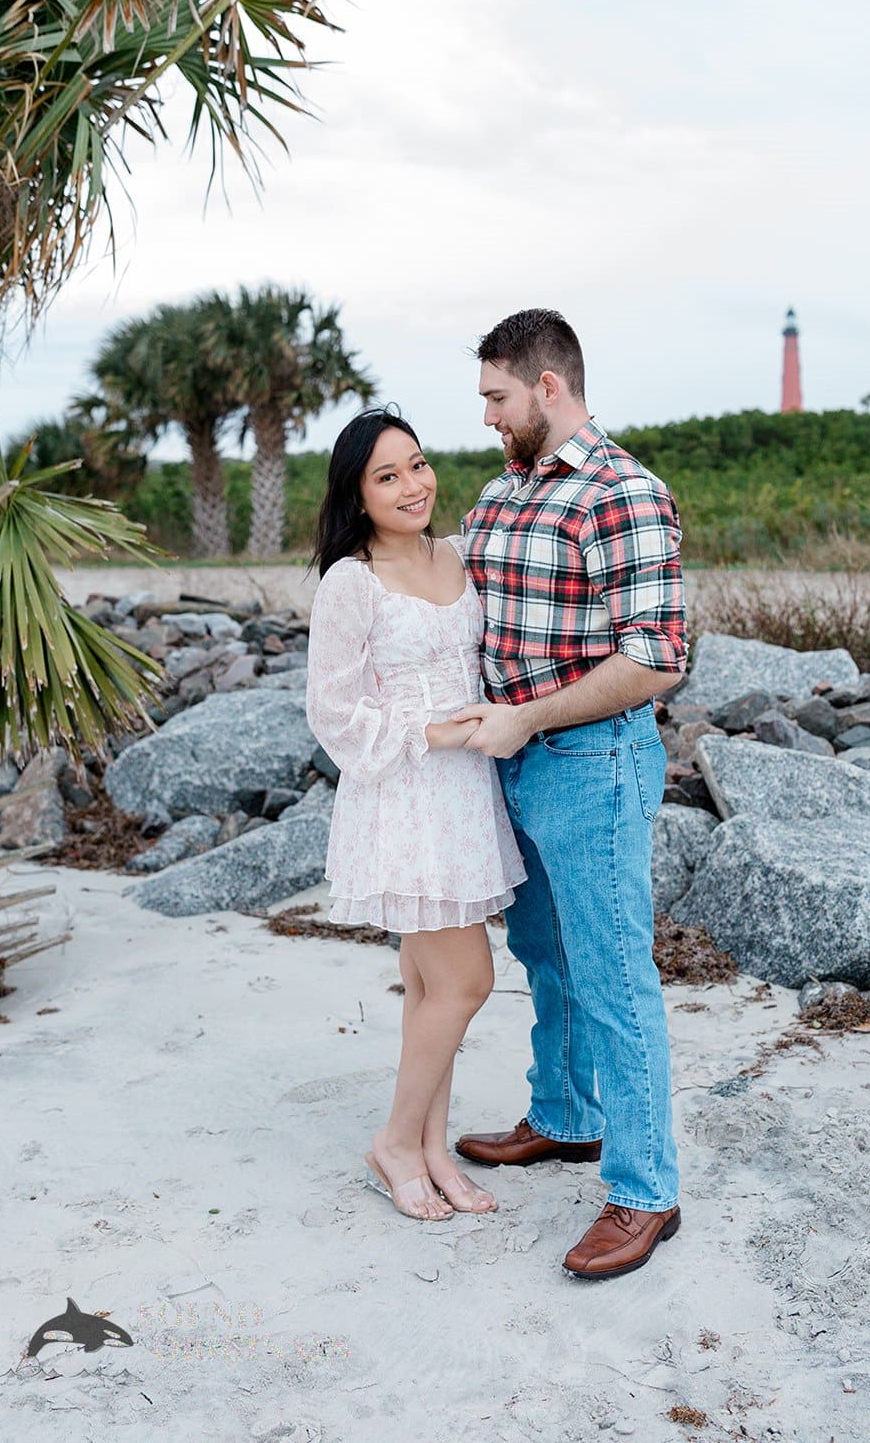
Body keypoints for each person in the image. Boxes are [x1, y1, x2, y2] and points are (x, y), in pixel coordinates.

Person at [451, 308, 688, 1280]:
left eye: (495, 398)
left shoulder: (623, 493)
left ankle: (644, 1191)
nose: (485, 417)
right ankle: (563, 1117)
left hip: (589, 762)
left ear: (547, 387)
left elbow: (655, 660)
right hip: (507, 763)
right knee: (543, 952)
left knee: (610, 976)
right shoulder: (499, 492)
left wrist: (530, 718)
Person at [305, 406, 527, 1223]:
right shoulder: (351, 580)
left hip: (465, 798)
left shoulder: (459, 554)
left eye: (418, 465)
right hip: (404, 796)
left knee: (430, 983)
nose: (412, 485)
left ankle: (431, 1150)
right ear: (357, 496)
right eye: (386, 476)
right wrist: (432, 732)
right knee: (468, 979)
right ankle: (397, 1141)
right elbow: (329, 712)